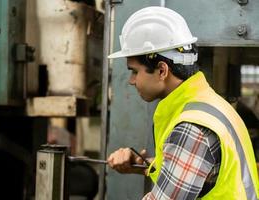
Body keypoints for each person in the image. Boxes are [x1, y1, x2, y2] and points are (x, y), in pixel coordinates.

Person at [107, 6, 259, 200]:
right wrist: (141, 164)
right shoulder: (211, 106)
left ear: (162, 70)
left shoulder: (192, 127)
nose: (131, 80)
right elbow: (199, 171)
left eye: (135, 71)